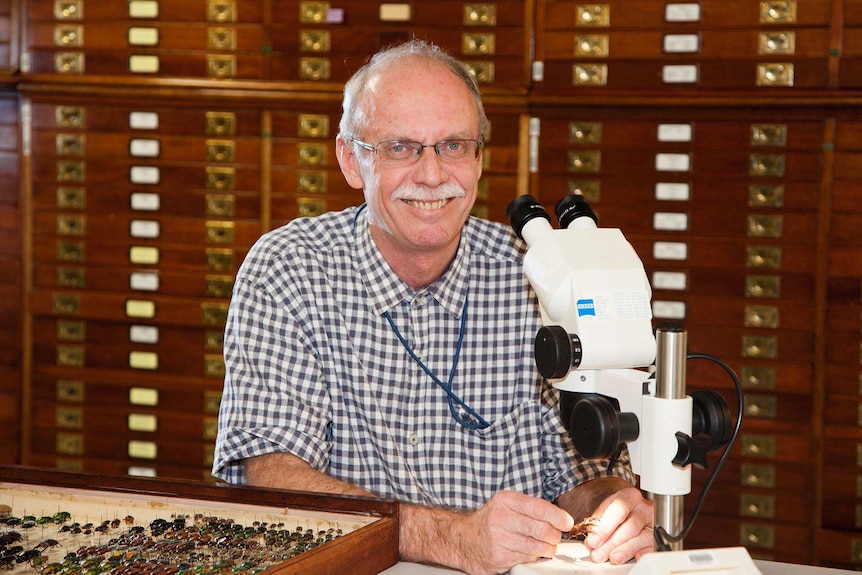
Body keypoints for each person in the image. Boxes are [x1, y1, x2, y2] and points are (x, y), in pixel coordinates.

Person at [212, 39, 654, 575]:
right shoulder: (290, 269)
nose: (430, 174)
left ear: (478, 160)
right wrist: (449, 537)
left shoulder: (539, 277)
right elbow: (271, 475)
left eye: (452, 146)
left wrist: (610, 509)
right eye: (400, 147)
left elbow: (583, 471)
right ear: (351, 159)